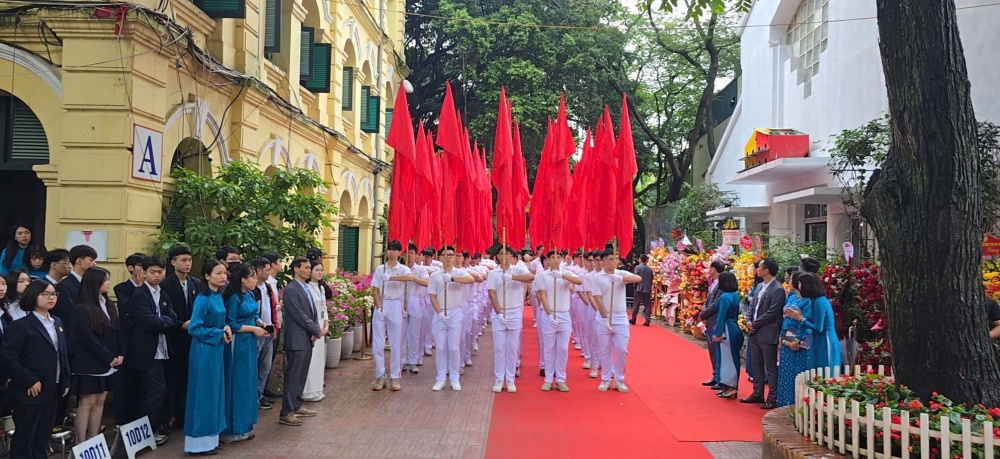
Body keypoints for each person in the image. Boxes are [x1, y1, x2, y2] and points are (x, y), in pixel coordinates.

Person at [0, 280, 70, 459]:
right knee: (25, 437)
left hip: (53, 386)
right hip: (30, 390)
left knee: (43, 436)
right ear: (33, 296)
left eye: (54, 294)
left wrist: (65, 380)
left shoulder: (57, 322)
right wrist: (28, 379)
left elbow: (61, 354)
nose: (51, 298)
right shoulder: (21, 325)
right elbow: (8, 357)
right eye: (45, 294)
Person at [125, 257, 178, 443]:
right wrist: (165, 322)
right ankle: (147, 432)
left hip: (163, 349)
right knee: (156, 390)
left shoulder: (162, 293)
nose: (156, 276)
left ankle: (151, 429)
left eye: (160, 272)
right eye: (152, 272)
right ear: (144, 273)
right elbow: (149, 321)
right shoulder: (140, 294)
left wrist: (165, 322)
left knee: (158, 391)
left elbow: (173, 317)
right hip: (146, 351)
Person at [70, 267, 124, 441]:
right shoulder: (82, 308)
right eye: (105, 280)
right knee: (87, 402)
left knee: (100, 401)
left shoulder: (107, 303)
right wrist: (108, 357)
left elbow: (117, 330)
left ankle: (94, 438)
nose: (108, 283)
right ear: (94, 283)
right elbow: (87, 338)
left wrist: (120, 353)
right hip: (90, 362)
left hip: (109, 362)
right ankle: (81, 441)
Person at [184, 260, 230, 455]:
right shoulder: (202, 298)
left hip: (216, 350)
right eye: (218, 273)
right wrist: (218, 333)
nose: (223, 276)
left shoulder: (218, 296)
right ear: (207, 276)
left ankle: (211, 437)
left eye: (224, 273)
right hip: (203, 350)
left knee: (215, 392)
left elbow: (220, 321)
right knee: (202, 393)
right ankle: (197, 442)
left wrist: (226, 327)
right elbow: (194, 327)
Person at [221, 263, 266, 443]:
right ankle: (234, 427)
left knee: (249, 382)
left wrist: (260, 322)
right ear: (243, 280)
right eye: (253, 277)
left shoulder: (249, 294)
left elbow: (253, 314)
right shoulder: (233, 298)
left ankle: (246, 424)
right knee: (237, 383)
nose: (256, 280)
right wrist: (253, 329)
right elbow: (230, 324)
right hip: (237, 344)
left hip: (249, 343)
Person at [278, 257, 323, 426]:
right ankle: (286, 411)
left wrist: (314, 328)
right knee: (293, 375)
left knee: (301, 374)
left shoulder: (305, 287)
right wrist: (315, 329)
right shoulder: (291, 289)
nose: (309, 270)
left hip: (306, 337)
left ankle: (296, 404)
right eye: (305, 267)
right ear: (296, 269)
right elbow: (298, 314)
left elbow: (310, 312)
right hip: (296, 337)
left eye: (310, 267)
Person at [161, 245, 200, 430]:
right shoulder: (165, 285)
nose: (187, 264)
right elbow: (165, 311)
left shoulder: (196, 283)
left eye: (189, 260)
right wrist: (179, 324)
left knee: (188, 376)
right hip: (174, 336)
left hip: (193, 335)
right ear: (173, 262)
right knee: (173, 378)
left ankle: (185, 414)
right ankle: (171, 415)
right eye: (183, 260)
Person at [591, 250, 642, 392]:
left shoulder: (620, 274)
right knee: (605, 351)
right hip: (604, 317)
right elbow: (597, 299)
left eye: (616, 259)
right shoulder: (597, 278)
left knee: (621, 349)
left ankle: (619, 378)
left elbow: (638, 278)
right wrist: (605, 317)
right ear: (604, 261)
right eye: (611, 259)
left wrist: (620, 279)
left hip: (620, 317)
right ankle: (606, 379)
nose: (614, 261)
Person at [487, 245, 533, 393]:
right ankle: (499, 379)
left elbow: (530, 277)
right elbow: (492, 294)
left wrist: (511, 277)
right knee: (499, 348)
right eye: (501, 253)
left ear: (512, 256)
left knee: (512, 348)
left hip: (514, 311)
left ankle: (511, 379)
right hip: (499, 312)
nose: (504, 256)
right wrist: (499, 313)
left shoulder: (517, 269)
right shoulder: (493, 273)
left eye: (507, 253)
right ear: (498, 256)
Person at [427, 246, 474, 391]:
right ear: (440, 257)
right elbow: (432, 295)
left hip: (455, 312)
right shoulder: (435, 275)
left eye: (450, 255)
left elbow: (471, 279)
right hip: (440, 313)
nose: (447, 257)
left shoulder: (460, 272)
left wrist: (452, 278)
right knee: (441, 348)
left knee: (454, 347)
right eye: (444, 255)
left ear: (455, 257)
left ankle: (454, 377)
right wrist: (439, 312)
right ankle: (441, 378)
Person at [741, 258, 786, 410]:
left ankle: (772, 397)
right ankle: (757, 393)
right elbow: (752, 306)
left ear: (766, 271)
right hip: (754, 331)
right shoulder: (759, 285)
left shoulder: (778, 289)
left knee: (770, 366)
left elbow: (772, 313)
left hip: (767, 332)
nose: (756, 270)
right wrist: (748, 321)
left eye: (759, 267)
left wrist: (755, 324)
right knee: (756, 364)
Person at [536, 250, 582, 392]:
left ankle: (561, 379)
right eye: (552, 257)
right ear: (548, 260)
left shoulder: (565, 273)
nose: (555, 259)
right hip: (549, 314)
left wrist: (561, 275)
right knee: (549, 348)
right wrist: (549, 314)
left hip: (564, 314)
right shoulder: (541, 275)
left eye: (558, 257)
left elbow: (579, 281)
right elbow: (542, 296)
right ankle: (548, 379)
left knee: (562, 349)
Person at [371, 240, 412, 391]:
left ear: (400, 252)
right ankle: (380, 375)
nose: (391, 252)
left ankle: (395, 376)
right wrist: (378, 306)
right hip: (382, 304)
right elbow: (375, 289)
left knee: (395, 344)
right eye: (389, 249)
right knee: (377, 345)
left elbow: (409, 278)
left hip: (395, 304)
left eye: (395, 250)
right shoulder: (380, 269)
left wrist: (391, 278)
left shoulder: (403, 268)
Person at [785, 273, 842, 373]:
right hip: (812, 339)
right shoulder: (809, 300)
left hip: (823, 340)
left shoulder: (817, 301)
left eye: (799, 283)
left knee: (824, 374)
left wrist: (801, 319)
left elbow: (817, 327)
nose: (798, 286)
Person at [775, 271, 811, 407]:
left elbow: (806, 323)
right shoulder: (792, 297)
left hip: (799, 338)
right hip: (788, 331)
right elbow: (788, 319)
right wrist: (783, 338)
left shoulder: (807, 301)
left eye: (791, 280)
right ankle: (783, 404)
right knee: (785, 372)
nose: (788, 282)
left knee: (796, 373)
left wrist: (797, 340)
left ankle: (795, 405)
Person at [250, 257, 278, 408]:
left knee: (265, 366)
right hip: (256, 332)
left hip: (268, 330)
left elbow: (272, 307)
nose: (269, 273)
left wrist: (274, 325)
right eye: (266, 270)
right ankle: (252, 396)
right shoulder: (252, 290)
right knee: (254, 364)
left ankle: (260, 394)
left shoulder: (267, 287)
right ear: (258, 270)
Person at [711, 272, 743, 398]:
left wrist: (718, 333)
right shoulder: (734, 296)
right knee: (731, 358)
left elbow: (721, 316)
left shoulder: (724, 297)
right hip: (734, 326)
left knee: (727, 359)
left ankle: (730, 386)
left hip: (727, 329)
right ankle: (729, 386)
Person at [302, 260, 329, 400]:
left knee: (319, 359)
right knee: (310, 360)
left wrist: (326, 325)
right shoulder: (306, 288)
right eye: (316, 270)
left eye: (321, 270)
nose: (320, 273)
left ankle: (317, 389)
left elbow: (324, 308)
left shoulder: (321, 288)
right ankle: (308, 391)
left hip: (321, 326)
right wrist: (315, 328)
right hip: (312, 327)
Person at [699, 261, 727, 389]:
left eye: (710, 268)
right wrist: (704, 314)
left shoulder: (721, 284)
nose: (708, 270)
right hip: (709, 319)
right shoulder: (714, 283)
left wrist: (704, 314)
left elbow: (715, 304)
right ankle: (715, 375)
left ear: (714, 269)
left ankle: (719, 377)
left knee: (717, 348)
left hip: (715, 320)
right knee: (712, 347)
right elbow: (708, 301)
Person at [404, 243, 430, 374]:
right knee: (401, 333)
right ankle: (402, 361)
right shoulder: (400, 268)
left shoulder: (421, 269)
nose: (409, 255)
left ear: (415, 255)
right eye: (407, 253)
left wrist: (412, 277)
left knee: (414, 334)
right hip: (401, 300)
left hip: (416, 299)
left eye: (412, 253)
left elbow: (427, 283)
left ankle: (413, 361)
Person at [630, 254, 654, 326]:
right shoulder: (649, 269)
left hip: (639, 288)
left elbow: (635, 277)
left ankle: (633, 319)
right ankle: (647, 320)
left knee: (636, 304)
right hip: (647, 288)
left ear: (640, 259)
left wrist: (635, 286)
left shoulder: (637, 267)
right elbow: (651, 278)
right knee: (647, 305)